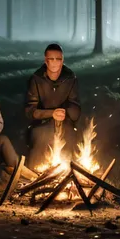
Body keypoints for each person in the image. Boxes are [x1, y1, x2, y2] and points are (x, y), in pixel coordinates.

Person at [25, 43, 81, 171]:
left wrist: (65, 113)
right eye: (51, 59)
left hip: (65, 122)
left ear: (63, 60)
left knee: (70, 138)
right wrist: (51, 113)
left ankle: (68, 173)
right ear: (46, 60)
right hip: (42, 124)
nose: (55, 63)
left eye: (58, 59)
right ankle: (37, 174)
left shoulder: (70, 77)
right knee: (41, 137)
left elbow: (76, 107)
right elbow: (30, 111)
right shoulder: (36, 79)